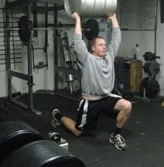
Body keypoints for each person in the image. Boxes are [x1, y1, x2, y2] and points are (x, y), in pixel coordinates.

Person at [52, 12, 132, 151]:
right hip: (91, 101)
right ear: (93, 48)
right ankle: (58, 115)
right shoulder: (87, 59)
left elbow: (117, 37)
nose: (105, 47)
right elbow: (78, 41)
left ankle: (115, 135)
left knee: (127, 105)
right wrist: (77, 19)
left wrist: (113, 18)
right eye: (101, 45)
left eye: (105, 44)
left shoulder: (109, 56)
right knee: (78, 131)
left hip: (106, 98)